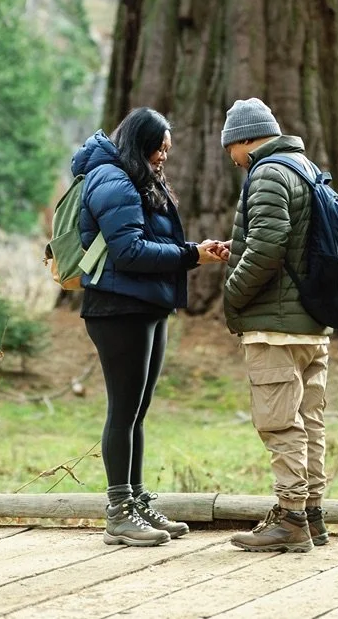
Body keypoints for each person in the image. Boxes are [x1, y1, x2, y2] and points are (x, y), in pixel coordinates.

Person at [73, 108, 229, 547]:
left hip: (144, 306)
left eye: (167, 150)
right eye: (159, 148)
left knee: (137, 413)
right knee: (122, 412)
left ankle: (137, 502)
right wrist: (189, 255)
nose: (164, 156)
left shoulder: (135, 179)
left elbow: (146, 242)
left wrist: (193, 250)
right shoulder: (112, 180)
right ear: (139, 145)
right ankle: (119, 512)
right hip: (117, 309)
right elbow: (128, 252)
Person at [218, 98, 332, 553]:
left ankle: (289, 520)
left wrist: (233, 293)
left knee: (281, 424)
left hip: (275, 327)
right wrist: (241, 247)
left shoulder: (266, 173)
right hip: (312, 325)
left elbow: (268, 246)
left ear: (244, 139)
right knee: (310, 422)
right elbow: (286, 241)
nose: (230, 158)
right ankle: (314, 515)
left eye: (230, 147)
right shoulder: (306, 168)